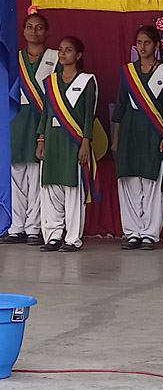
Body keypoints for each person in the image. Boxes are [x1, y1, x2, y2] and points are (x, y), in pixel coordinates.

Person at [111, 25, 163, 250]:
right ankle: (132, 232)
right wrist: (116, 137)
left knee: (151, 183)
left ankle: (149, 232)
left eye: (147, 43)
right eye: (139, 43)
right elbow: (120, 107)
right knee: (129, 182)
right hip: (130, 132)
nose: (142, 47)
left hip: (153, 133)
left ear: (157, 45)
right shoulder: (128, 72)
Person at [2, 12, 59, 245]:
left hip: (41, 125)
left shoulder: (56, 58)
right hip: (15, 122)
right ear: (23, 31)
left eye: (38, 28)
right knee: (14, 176)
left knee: (36, 178)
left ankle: (34, 228)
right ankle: (16, 227)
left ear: (46, 32)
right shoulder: (13, 59)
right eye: (29, 27)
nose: (33, 32)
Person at [35, 36, 97, 252]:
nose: (62, 53)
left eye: (68, 50)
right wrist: (41, 139)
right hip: (52, 140)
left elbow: (89, 116)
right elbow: (46, 112)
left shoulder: (87, 81)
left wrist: (86, 143)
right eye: (60, 49)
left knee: (72, 190)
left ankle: (72, 238)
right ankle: (52, 235)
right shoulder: (51, 81)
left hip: (74, 142)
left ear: (78, 55)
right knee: (50, 188)